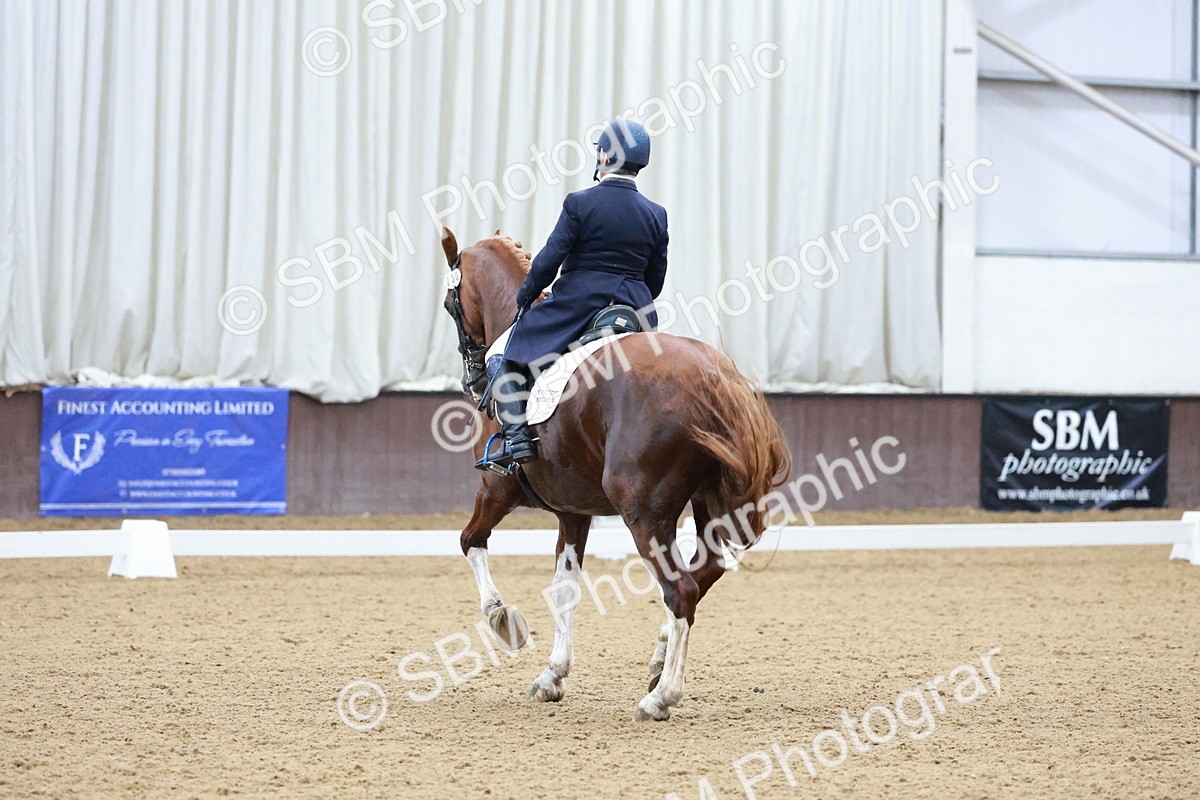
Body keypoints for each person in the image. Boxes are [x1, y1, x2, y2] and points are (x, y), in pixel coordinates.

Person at [477, 119, 669, 472]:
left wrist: (526, 296)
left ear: (605, 158)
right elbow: (655, 280)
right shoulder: (656, 213)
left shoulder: (580, 203)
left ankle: (516, 438)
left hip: (579, 305)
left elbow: (549, 260)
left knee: (501, 353)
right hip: (635, 310)